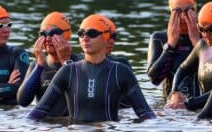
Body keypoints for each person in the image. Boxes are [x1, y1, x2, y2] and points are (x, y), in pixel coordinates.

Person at [27, 14, 156, 122]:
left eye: (92, 33)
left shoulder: (120, 71)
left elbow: (146, 114)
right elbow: (36, 113)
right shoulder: (68, 71)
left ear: (106, 38)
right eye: (81, 33)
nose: (85, 38)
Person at [168, 1, 212, 110]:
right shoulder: (202, 46)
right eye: (201, 29)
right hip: (204, 114)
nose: (206, 35)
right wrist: (175, 92)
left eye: (211, 29)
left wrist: (187, 105)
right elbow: (183, 69)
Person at [17, 11, 82, 116]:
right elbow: (23, 101)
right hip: (45, 127)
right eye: (43, 34)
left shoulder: (80, 62)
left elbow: (83, 99)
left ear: (66, 35)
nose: (47, 39)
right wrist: (39, 66)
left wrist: (65, 62)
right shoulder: (37, 65)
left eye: (53, 33)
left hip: (70, 127)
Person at [147, 0, 200, 100]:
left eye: (188, 11)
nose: (182, 17)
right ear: (170, 12)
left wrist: (197, 43)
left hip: (201, 106)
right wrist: (170, 45)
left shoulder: (207, 36)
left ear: (195, 11)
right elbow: (154, 79)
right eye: (177, 11)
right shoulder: (159, 38)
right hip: (171, 109)